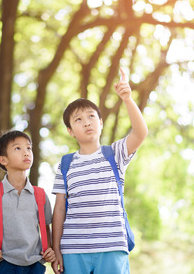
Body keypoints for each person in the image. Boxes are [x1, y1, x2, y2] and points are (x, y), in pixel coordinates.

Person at [51, 68, 148, 274]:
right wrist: (56, 248)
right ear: (70, 131)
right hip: (73, 250)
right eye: (78, 119)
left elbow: (140, 133)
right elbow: (59, 209)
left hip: (112, 247)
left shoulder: (115, 153)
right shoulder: (65, 163)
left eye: (91, 116)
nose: (86, 122)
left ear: (101, 123)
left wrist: (127, 99)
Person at [0, 130, 56, 273]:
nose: (26, 152)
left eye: (28, 148)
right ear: (3, 160)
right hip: (4, 264)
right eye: (18, 148)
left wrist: (50, 249)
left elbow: (46, 227)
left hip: (35, 265)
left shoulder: (39, 194)